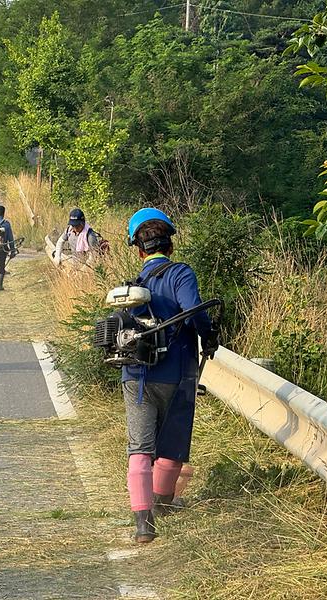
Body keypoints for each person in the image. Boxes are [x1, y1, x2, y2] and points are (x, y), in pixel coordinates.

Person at [122, 208, 218, 543]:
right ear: (170, 246)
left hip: (136, 375)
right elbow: (193, 310)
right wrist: (209, 334)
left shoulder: (134, 286)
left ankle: (143, 524)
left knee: (139, 447)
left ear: (139, 250)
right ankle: (163, 503)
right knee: (172, 441)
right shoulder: (180, 273)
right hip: (176, 371)